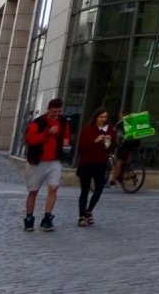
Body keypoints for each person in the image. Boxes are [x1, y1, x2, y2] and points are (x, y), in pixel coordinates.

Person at [24, 97, 71, 232]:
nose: (56, 114)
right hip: (38, 161)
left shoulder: (63, 121)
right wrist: (47, 133)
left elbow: (66, 134)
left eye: (59, 111)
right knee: (33, 191)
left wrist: (66, 140)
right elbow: (30, 139)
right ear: (48, 109)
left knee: (53, 188)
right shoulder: (38, 122)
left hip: (54, 160)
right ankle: (29, 218)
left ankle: (47, 218)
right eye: (54, 111)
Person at [75, 107, 115, 226]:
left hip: (100, 164)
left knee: (99, 189)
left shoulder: (110, 130)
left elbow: (111, 148)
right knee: (85, 190)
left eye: (105, 117)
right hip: (86, 163)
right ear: (96, 117)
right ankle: (81, 216)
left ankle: (89, 211)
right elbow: (81, 147)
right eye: (101, 117)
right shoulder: (87, 130)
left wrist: (109, 141)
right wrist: (95, 140)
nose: (103, 119)